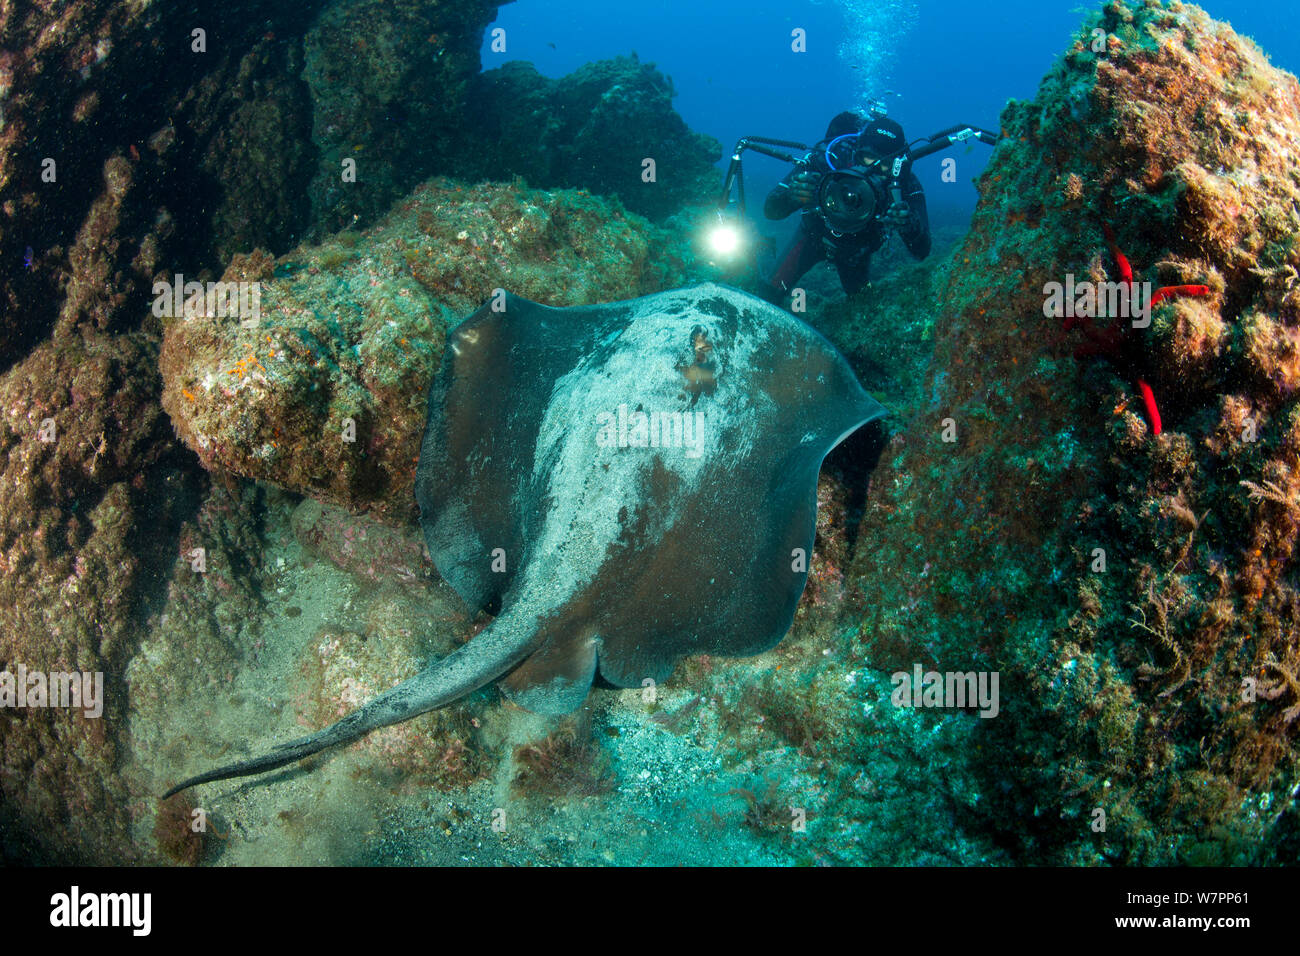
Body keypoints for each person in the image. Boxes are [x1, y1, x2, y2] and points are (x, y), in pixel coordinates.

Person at [762, 110, 931, 301]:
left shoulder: (903, 185)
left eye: (885, 165)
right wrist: (793, 195)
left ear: (898, 166)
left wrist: (908, 224)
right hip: (812, 236)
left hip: (857, 254)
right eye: (867, 158)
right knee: (767, 295)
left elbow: (922, 251)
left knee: (862, 313)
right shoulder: (830, 158)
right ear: (855, 151)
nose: (871, 170)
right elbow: (771, 210)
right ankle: (762, 258)